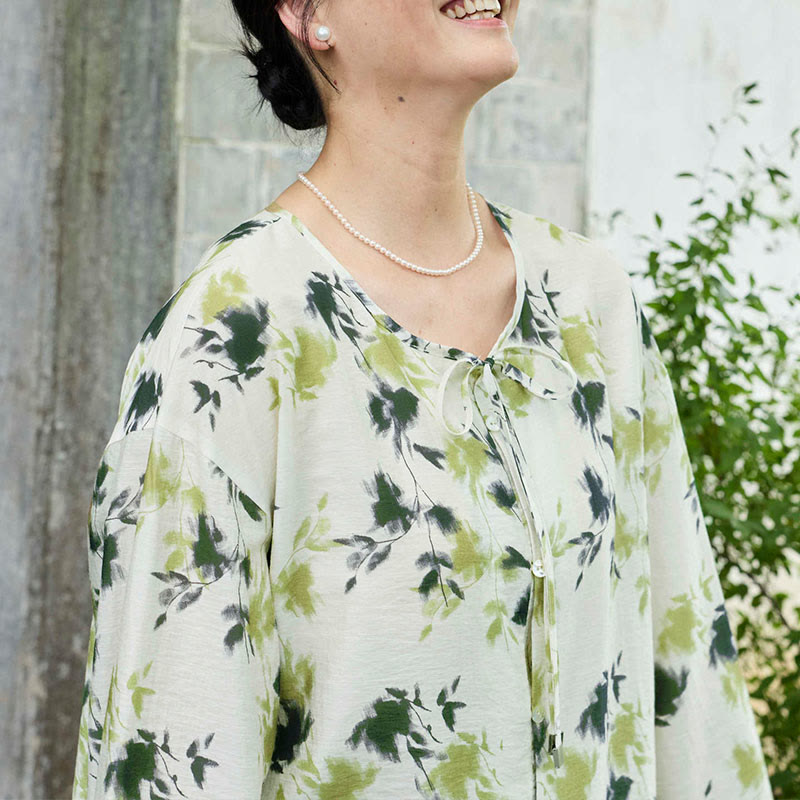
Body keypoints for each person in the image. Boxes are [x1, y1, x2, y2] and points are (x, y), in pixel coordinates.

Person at [71, 1, 773, 798]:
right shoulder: (230, 339)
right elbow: (166, 753)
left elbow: (690, 684)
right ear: (307, 12)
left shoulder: (590, 304)